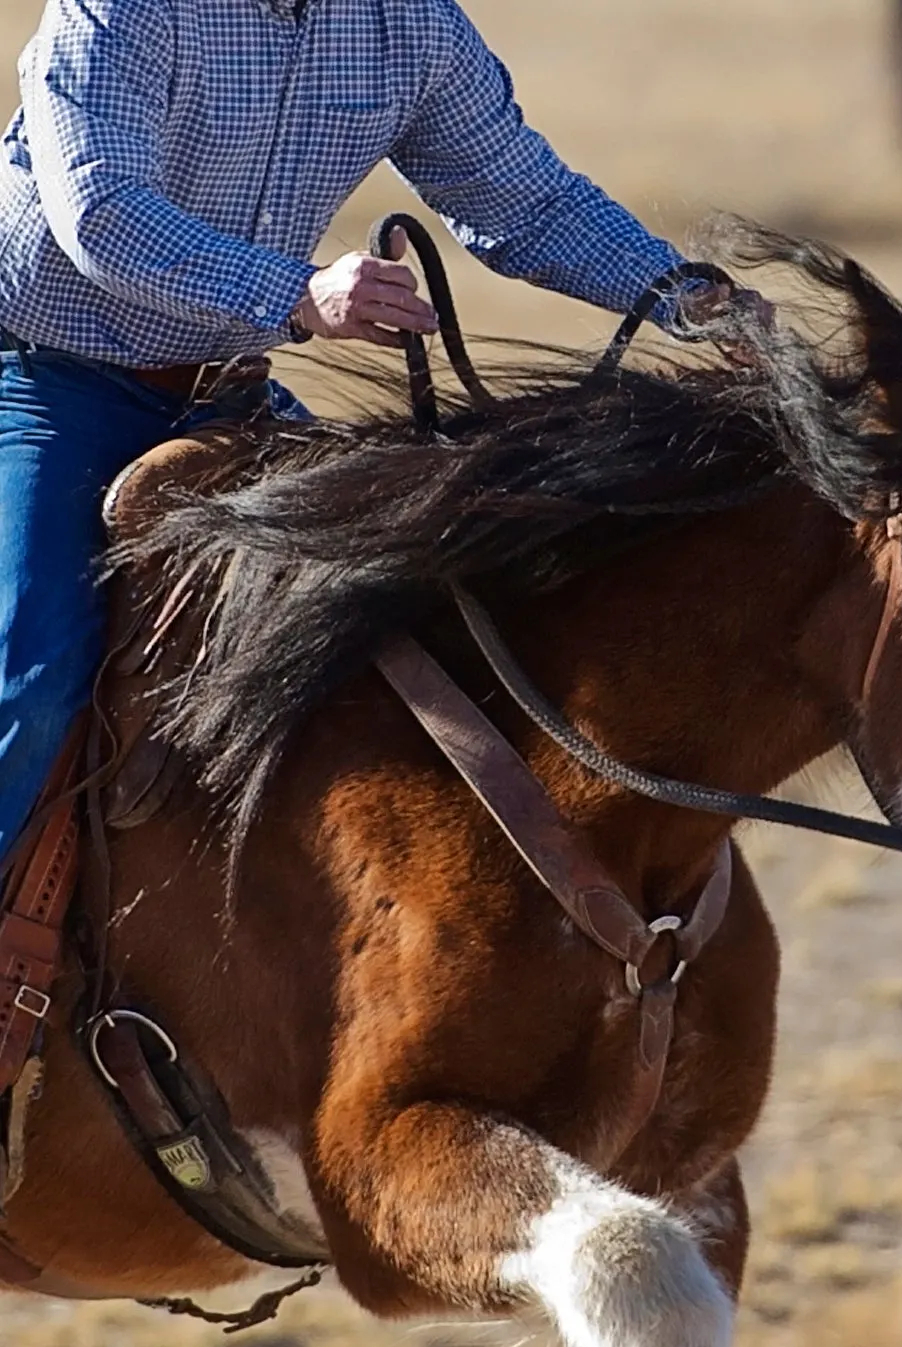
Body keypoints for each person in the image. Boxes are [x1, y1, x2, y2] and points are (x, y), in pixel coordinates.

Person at [0, 0, 752, 863]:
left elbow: (527, 201)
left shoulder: (411, 24)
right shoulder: (122, 10)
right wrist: (299, 293)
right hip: (41, 379)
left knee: (410, 624)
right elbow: (100, 210)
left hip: (234, 393)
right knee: (34, 678)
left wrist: (687, 300)